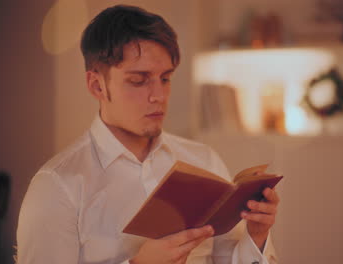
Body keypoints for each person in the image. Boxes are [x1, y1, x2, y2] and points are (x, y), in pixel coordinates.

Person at [17, 5, 280, 264]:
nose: (159, 96)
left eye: (165, 78)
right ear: (97, 85)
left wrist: (257, 237)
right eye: (139, 80)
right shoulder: (57, 186)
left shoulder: (205, 161)